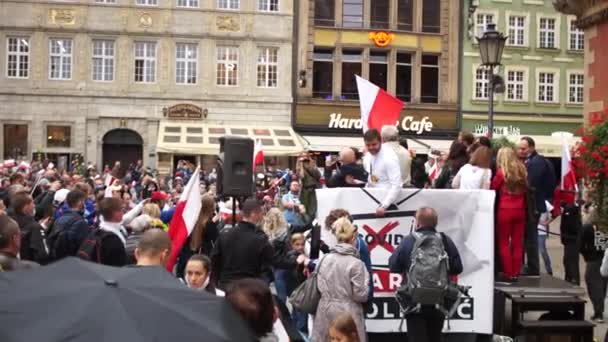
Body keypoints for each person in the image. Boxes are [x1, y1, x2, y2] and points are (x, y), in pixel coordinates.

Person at [388, 207, 463, 342]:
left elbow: (393, 266)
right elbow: (457, 268)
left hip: (413, 302)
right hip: (439, 301)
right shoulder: (445, 241)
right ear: (436, 223)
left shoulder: (408, 240)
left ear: (418, 223)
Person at [312, 217, 369, 342]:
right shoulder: (356, 264)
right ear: (353, 237)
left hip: (324, 310)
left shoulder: (323, 259)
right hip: (348, 314)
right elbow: (360, 295)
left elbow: (317, 286)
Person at [211, 199, 274, 290]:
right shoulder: (260, 238)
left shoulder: (225, 235)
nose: (262, 217)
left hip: (226, 286)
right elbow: (271, 262)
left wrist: (215, 284)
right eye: (261, 213)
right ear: (253, 214)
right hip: (249, 288)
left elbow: (214, 261)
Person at [518, 136, 556, 276]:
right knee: (528, 237)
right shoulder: (531, 161)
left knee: (530, 237)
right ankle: (529, 266)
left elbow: (531, 183)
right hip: (532, 204)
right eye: (519, 148)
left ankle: (532, 267)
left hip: (533, 205)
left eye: (523, 148)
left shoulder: (536, 162)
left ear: (532, 148)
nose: (520, 151)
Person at [491, 147, 528, 282]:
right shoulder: (523, 170)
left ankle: (508, 273)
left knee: (504, 243)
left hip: (505, 209)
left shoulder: (502, 173)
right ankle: (516, 272)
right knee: (518, 243)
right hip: (520, 209)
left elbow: (493, 188)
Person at [176, 194, 220, 278]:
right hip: (202, 261)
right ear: (211, 208)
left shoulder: (191, 221)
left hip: (186, 259)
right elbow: (217, 241)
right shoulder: (209, 225)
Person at [362, 128, 402, 217]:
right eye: (368, 145)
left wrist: (384, 206)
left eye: (374, 144)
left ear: (381, 141)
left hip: (387, 205)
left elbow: (397, 184)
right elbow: (374, 178)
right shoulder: (368, 156)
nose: (371, 147)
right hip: (373, 200)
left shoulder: (389, 157)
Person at [578, 209, 607, 323]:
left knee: (594, 286)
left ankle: (598, 312)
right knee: (602, 286)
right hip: (604, 258)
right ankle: (599, 310)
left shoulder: (587, 228)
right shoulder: (602, 229)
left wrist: (587, 256)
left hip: (593, 260)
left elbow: (580, 245)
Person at [48, 189, 91, 260]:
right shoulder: (81, 223)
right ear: (80, 203)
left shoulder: (59, 218)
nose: (85, 204)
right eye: (84, 201)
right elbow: (83, 247)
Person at [8, 192, 49, 264]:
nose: (34, 205)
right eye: (32, 203)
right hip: (31, 268)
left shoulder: (8, 223)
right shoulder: (35, 227)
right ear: (26, 207)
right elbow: (43, 254)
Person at [96, 198, 128, 267]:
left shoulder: (99, 229)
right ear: (115, 213)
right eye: (121, 209)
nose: (123, 211)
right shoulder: (113, 240)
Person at [296, 152, 321, 219]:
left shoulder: (312, 164)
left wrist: (311, 163)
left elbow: (318, 175)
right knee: (305, 208)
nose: (305, 158)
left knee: (313, 208)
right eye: (303, 156)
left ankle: (313, 221)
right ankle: (306, 222)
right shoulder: (299, 167)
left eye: (306, 156)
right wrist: (300, 164)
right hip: (305, 190)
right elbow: (302, 176)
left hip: (314, 189)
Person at [537, 205, 553, 276]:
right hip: (531, 230)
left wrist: (546, 223)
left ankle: (549, 269)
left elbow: (555, 212)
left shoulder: (545, 203)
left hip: (541, 231)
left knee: (542, 250)